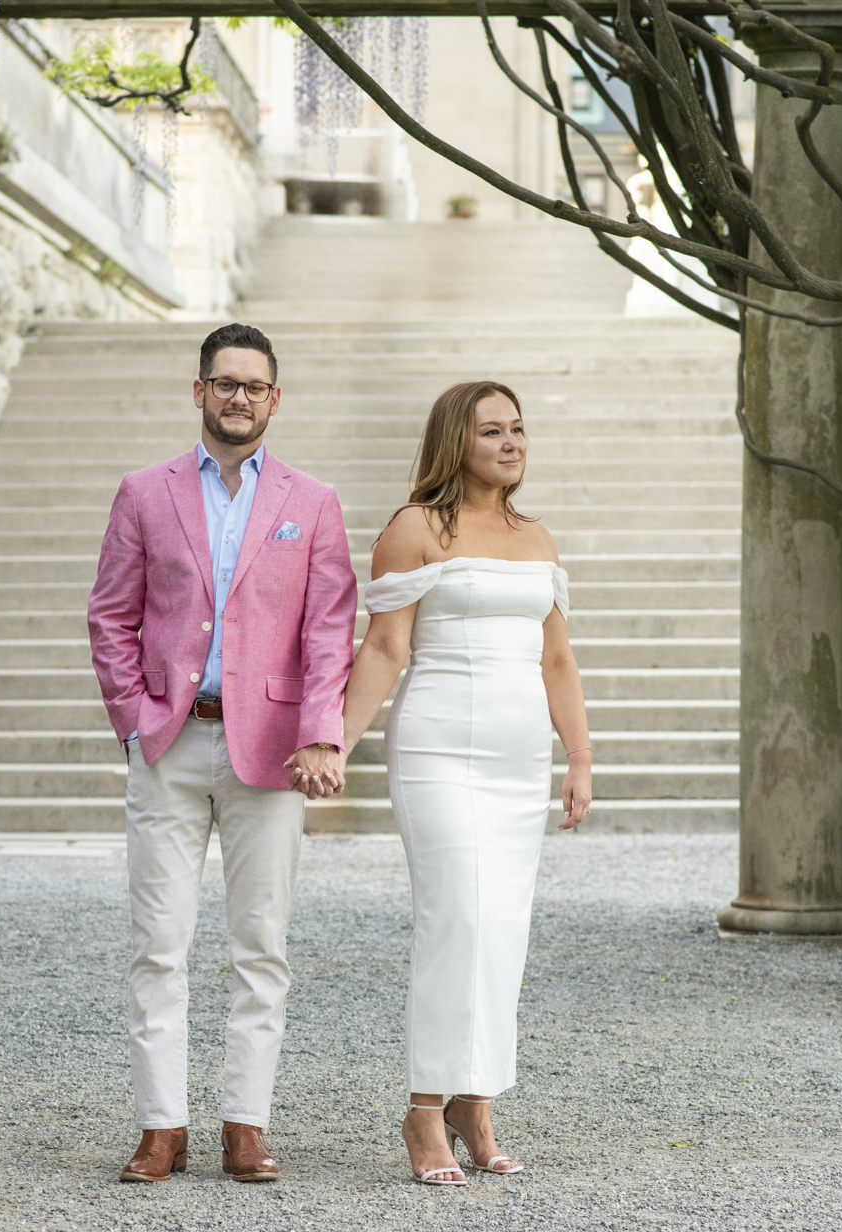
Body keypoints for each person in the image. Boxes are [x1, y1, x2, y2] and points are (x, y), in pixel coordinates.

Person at [86, 323, 355, 1184]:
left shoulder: (312, 503)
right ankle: (162, 1126)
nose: (238, 396)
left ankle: (247, 1122)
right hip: (167, 744)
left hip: (269, 753)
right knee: (158, 943)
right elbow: (110, 614)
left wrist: (319, 730)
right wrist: (134, 720)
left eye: (254, 385)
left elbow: (329, 630)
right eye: (224, 382)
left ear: (275, 399)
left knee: (259, 944)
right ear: (197, 389)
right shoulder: (143, 492)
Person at [335, 380, 592, 1187]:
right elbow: (383, 647)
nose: (512, 442)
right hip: (439, 749)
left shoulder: (538, 536)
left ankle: (475, 1102)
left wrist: (579, 756)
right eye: (493, 430)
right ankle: (422, 1109)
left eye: (519, 428)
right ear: (458, 440)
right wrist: (333, 741)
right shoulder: (416, 529)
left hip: (521, 761)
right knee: (456, 918)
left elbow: (556, 659)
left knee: (503, 927)